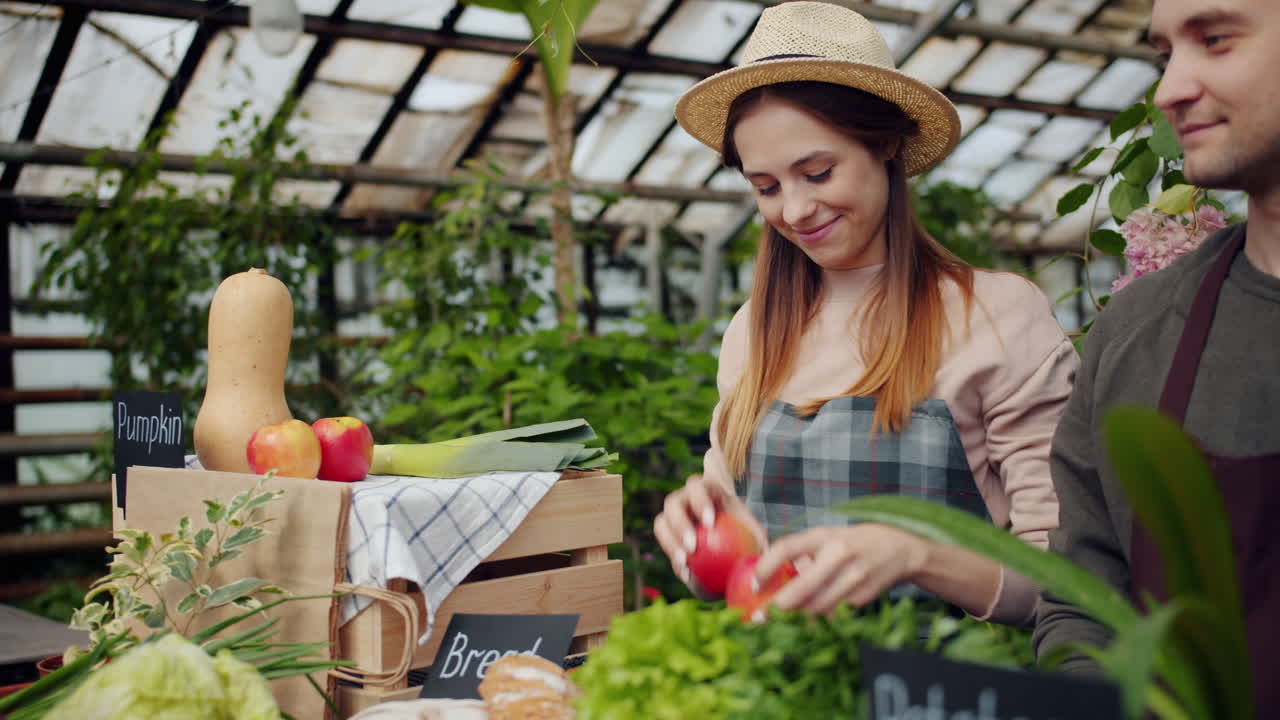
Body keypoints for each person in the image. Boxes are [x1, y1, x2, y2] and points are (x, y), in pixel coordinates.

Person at [652, 1, 1077, 627]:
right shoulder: (753, 332)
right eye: (765, 187)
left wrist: (917, 556)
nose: (794, 209)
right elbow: (739, 558)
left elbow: (1066, 583)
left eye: (817, 173)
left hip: (945, 690)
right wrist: (701, 532)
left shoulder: (996, 314)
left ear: (885, 145)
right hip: (782, 686)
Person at [1033, 0, 1280, 714]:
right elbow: (1081, 605)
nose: (1170, 88)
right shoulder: (1135, 333)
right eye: (1163, 55)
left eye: (1217, 40)